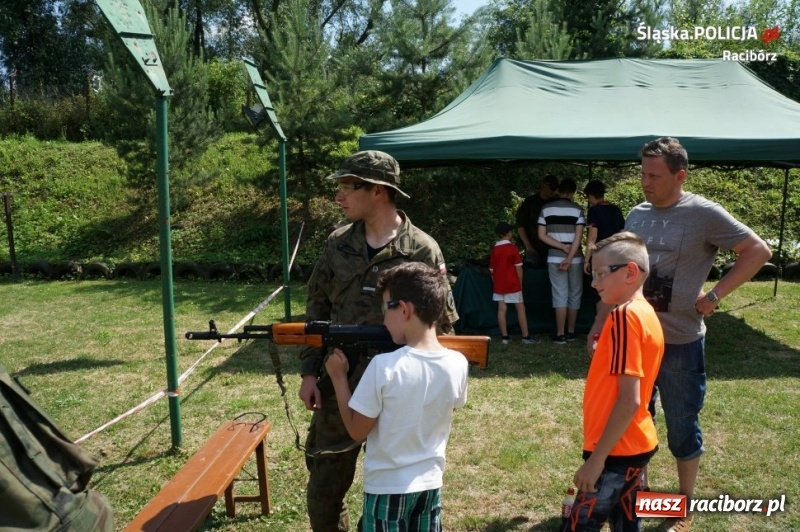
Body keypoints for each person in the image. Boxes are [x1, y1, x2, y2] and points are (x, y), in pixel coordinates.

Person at [586, 137, 771, 532]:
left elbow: (757, 250)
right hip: (634, 338)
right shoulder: (636, 214)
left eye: (654, 175)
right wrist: (601, 320)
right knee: (636, 419)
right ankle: (636, 496)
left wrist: (716, 294)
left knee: (683, 424)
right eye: (642, 173)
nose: (645, 182)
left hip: (681, 340)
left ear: (679, 175)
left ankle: (681, 506)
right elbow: (617, 272)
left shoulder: (703, 213)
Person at [298, 150, 459, 532]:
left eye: (347, 187)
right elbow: (316, 308)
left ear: (378, 192)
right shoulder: (337, 243)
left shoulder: (422, 248)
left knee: (397, 489)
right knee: (324, 486)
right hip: (340, 379)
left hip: (398, 389)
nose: (339, 196)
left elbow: (442, 322)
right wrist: (308, 371)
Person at [325, 262, 469, 532]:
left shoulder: (383, 367)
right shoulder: (458, 362)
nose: (383, 320)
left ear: (403, 309)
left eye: (385, 309)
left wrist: (338, 377)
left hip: (387, 488)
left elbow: (357, 431)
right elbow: (445, 411)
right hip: (430, 484)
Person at [566, 232, 664, 532]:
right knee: (626, 523)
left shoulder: (624, 317)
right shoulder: (647, 313)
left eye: (599, 274)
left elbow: (629, 399)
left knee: (579, 525)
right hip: (634, 443)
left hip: (613, 452)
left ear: (630, 272)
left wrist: (595, 462)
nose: (594, 283)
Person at [537, 177, 585, 344]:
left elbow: (541, 235)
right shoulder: (577, 210)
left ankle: (559, 334)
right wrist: (570, 256)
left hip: (555, 257)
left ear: (558, 191)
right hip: (576, 259)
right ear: (572, 193)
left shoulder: (546, 209)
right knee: (575, 294)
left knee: (559, 295)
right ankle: (571, 332)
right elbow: (579, 238)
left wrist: (561, 247)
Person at [489, 221, 538, 345]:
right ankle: (525, 337)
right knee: (520, 308)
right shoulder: (512, 248)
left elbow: (491, 270)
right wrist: (520, 283)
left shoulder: (495, 250)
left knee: (501, 309)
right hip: (513, 283)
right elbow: (518, 268)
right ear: (508, 233)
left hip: (499, 285)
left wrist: (496, 283)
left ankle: (505, 337)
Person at [582, 179, 625, 276]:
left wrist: (587, 259)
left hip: (599, 254)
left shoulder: (593, 211)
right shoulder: (616, 210)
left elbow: (592, 237)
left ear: (591, 195)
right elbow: (622, 232)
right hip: (615, 254)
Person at [516, 174, 559, 266]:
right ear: (543, 185)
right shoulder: (529, 202)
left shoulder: (556, 202)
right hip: (533, 246)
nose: (553, 191)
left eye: (555, 188)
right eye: (551, 187)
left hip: (552, 248)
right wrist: (527, 245)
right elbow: (520, 224)